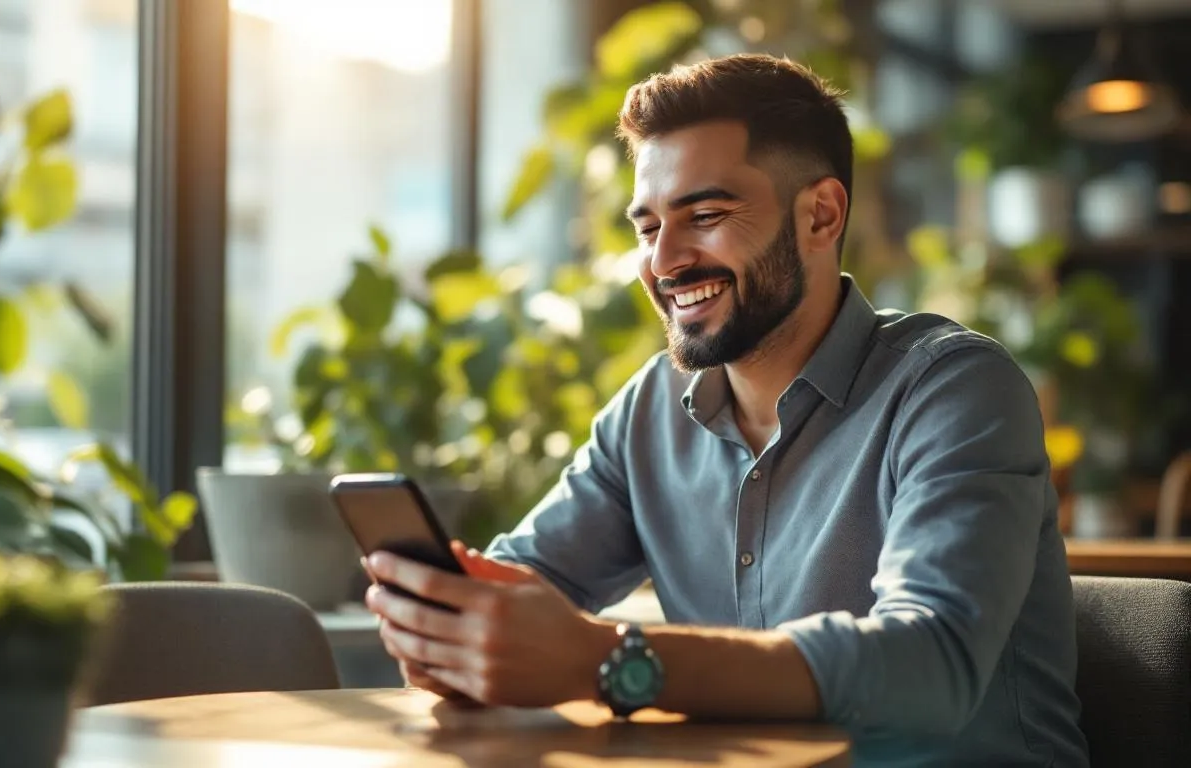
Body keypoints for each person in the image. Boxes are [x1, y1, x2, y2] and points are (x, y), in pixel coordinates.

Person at [362, 53, 1089, 766]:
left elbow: (933, 665)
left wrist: (608, 660)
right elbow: (527, 578)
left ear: (820, 215)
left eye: (704, 214)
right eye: (648, 228)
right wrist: (458, 631)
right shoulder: (648, 413)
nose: (664, 261)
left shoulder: (954, 389)